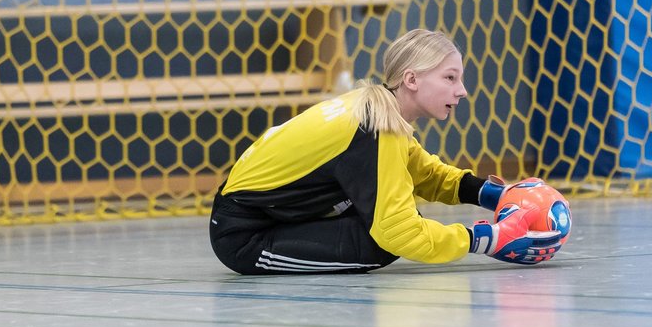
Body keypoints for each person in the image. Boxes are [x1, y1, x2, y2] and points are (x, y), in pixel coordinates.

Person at [209, 28, 567, 274]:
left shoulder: (377, 111)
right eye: (450, 78)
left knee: (384, 209)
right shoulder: (374, 129)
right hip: (245, 235)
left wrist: (493, 194)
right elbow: (399, 233)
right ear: (411, 80)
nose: (462, 91)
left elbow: (423, 171)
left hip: (270, 212)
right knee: (380, 242)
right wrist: (487, 239)